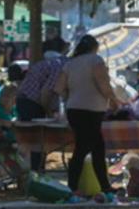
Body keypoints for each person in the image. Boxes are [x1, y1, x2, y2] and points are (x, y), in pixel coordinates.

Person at [54, 34, 126, 194]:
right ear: (95, 48)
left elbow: (58, 88)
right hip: (91, 110)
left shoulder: (70, 64)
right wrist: (114, 100)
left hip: (74, 109)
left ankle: (103, 186)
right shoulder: (96, 61)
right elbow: (104, 86)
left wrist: (70, 98)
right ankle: (73, 186)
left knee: (96, 147)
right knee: (84, 148)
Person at [16, 50, 67, 171]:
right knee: (34, 139)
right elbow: (45, 94)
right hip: (29, 101)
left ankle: (38, 170)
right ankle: (34, 173)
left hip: (29, 99)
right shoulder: (59, 67)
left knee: (39, 139)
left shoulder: (58, 64)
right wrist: (49, 111)